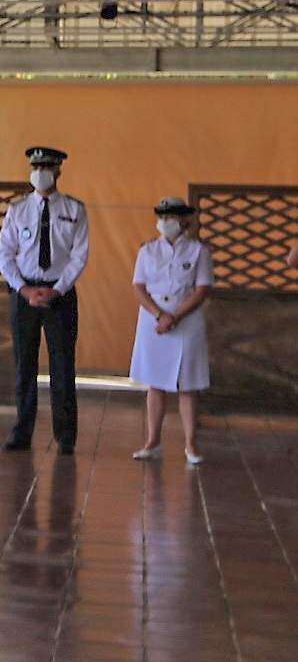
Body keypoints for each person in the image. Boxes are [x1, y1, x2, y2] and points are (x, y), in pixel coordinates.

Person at [0, 146, 90, 456]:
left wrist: (57, 289)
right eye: (35, 167)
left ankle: (65, 436)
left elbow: (79, 256)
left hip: (60, 295)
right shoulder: (18, 210)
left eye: (46, 167)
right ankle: (22, 432)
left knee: (62, 366)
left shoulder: (75, 209)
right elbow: (4, 255)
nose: (40, 173)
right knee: (24, 365)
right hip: (24, 294)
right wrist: (24, 289)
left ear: (58, 170)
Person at [130, 197, 213, 466]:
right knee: (155, 383)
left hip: (186, 319)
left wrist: (175, 317)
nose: (165, 222)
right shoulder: (148, 250)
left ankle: (191, 444)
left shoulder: (198, 251)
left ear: (185, 220)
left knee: (188, 384)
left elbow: (202, 289)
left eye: (171, 217)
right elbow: (139, 287)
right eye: (162, 217)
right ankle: (152, 442)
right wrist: (160, 315)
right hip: (154, 319)